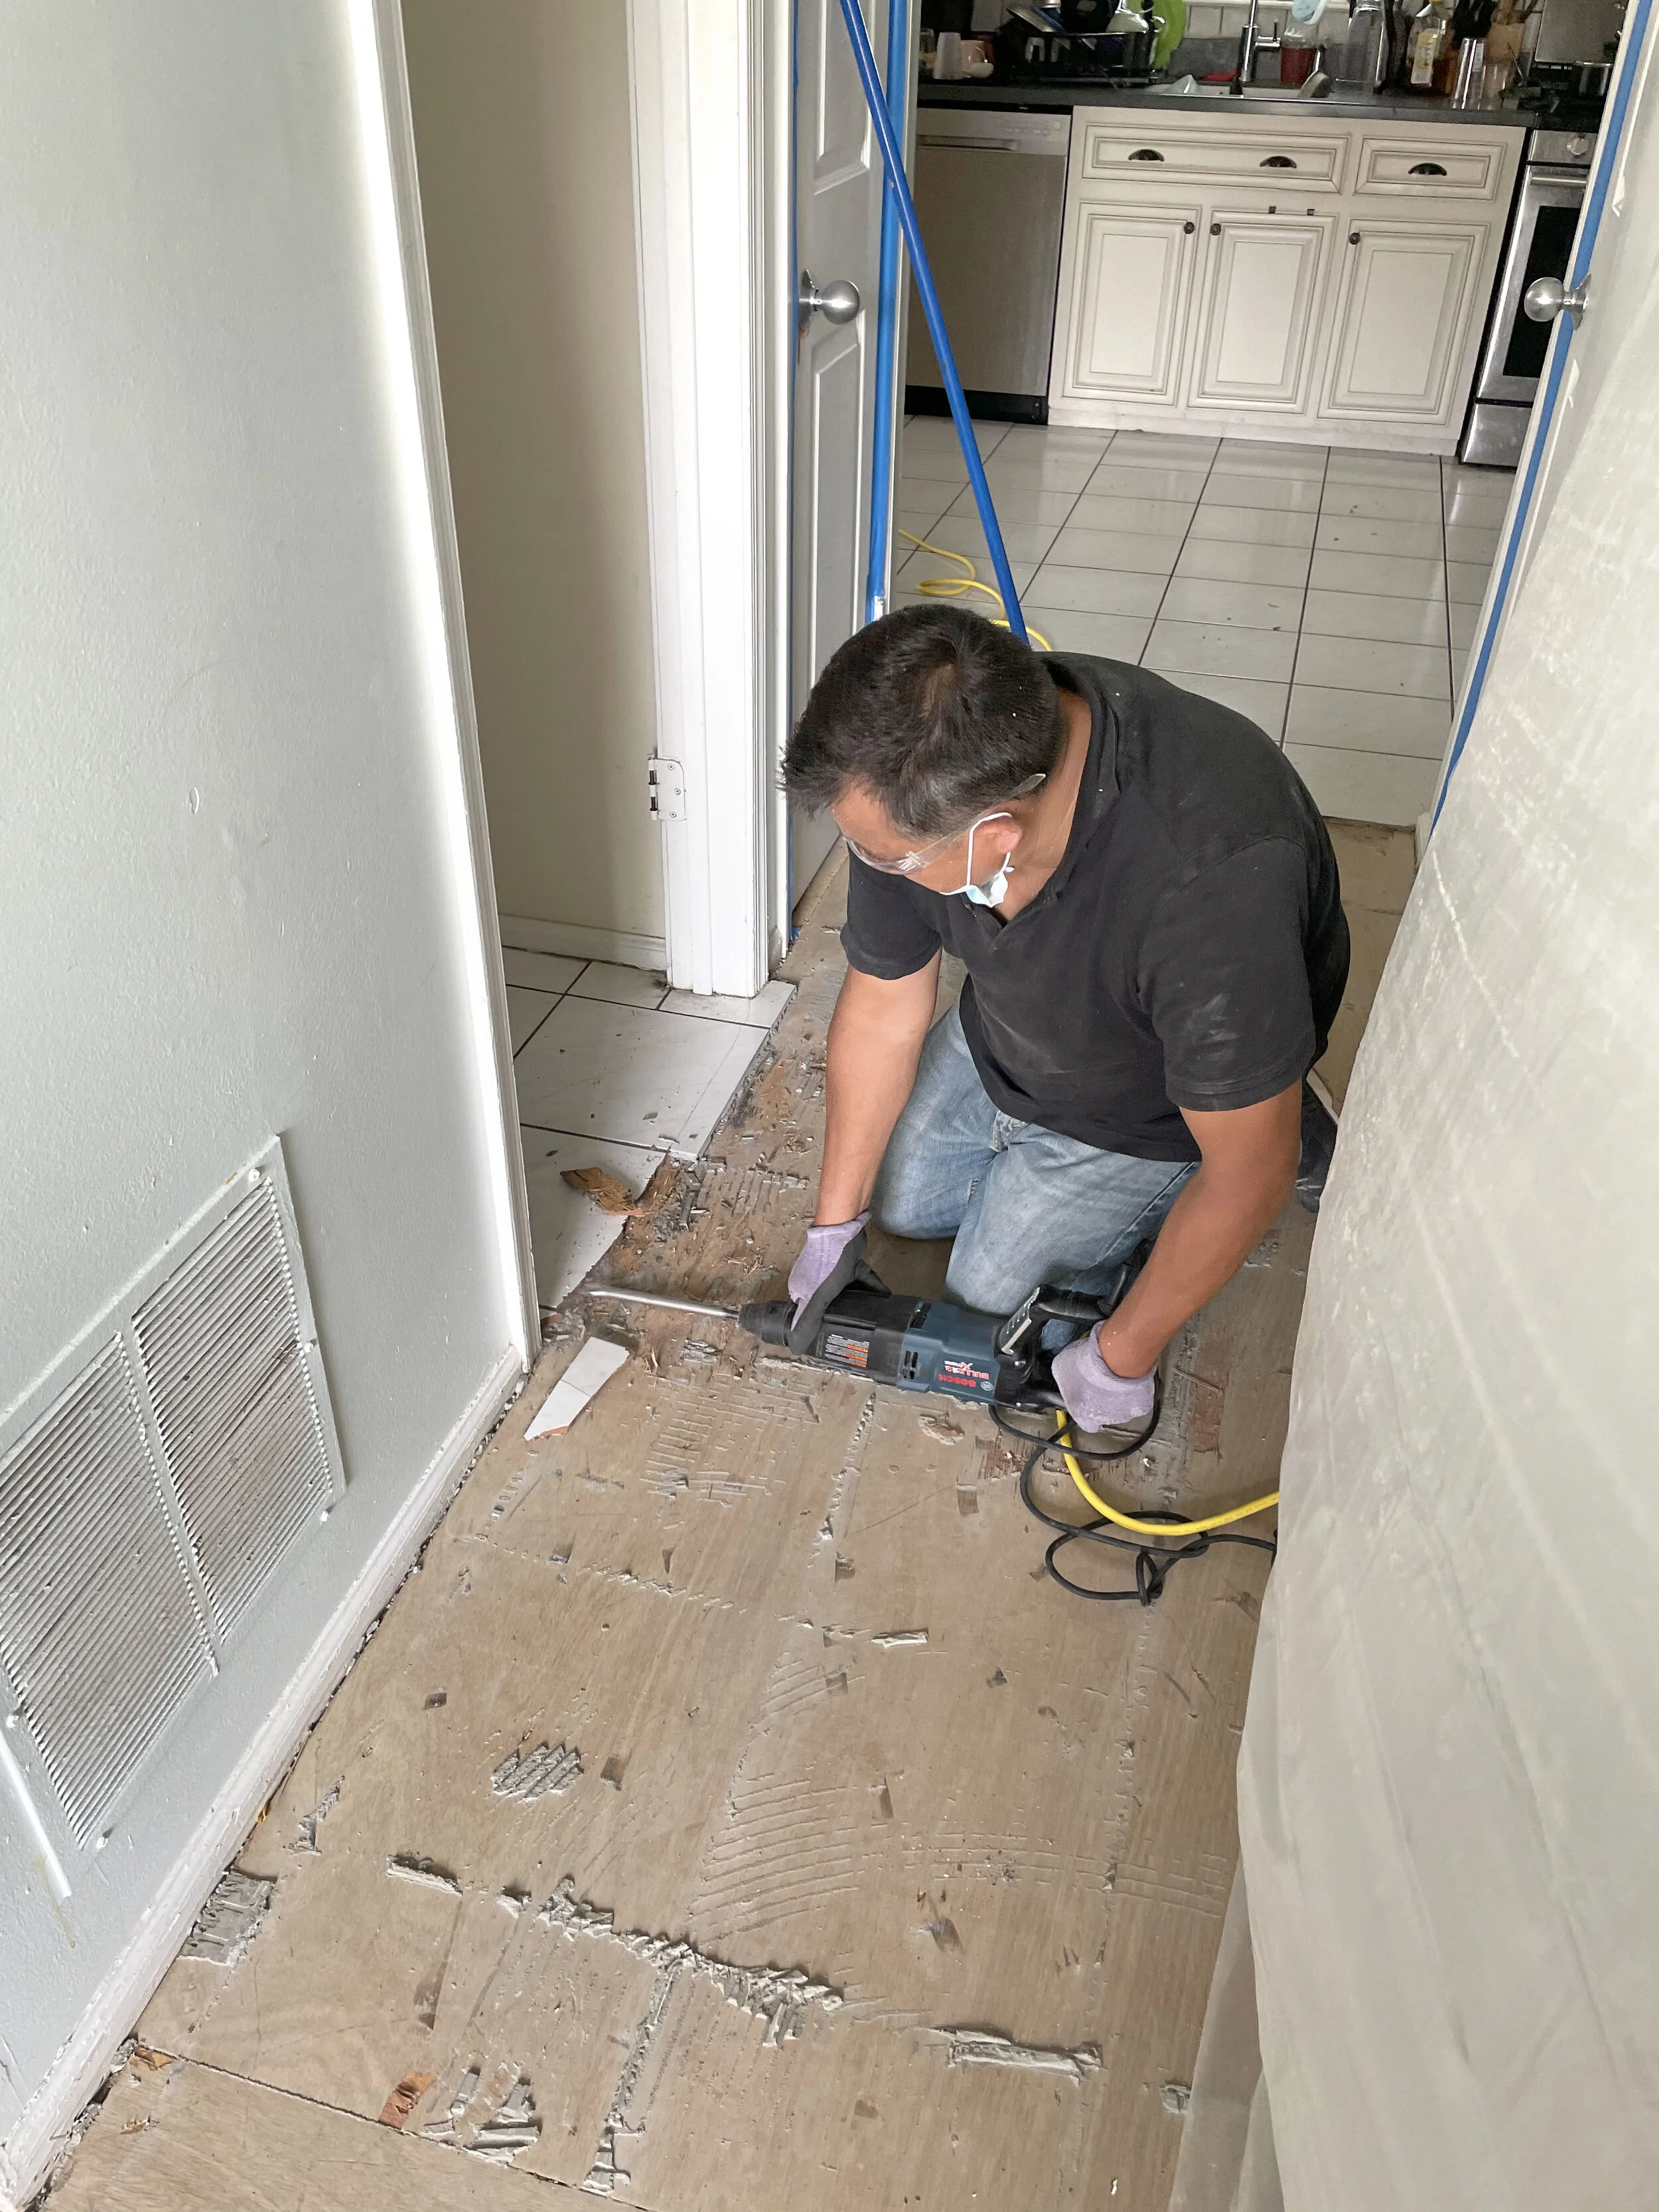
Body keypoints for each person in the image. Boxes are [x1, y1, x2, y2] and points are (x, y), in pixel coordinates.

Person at [780, 603, 1349, 1432]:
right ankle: (1226, 1090)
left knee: (988, 1298)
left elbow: (1250, 1178)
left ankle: (1260, 1092)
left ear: (996, 836)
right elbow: (882, 1005)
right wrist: (832, 1230)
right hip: (1017, 1030)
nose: (871, 867)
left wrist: (1121, 1356)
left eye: (885, 859)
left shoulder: (1210, 877)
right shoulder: (921, 770)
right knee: (897, 1205)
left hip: (1146, 1099)